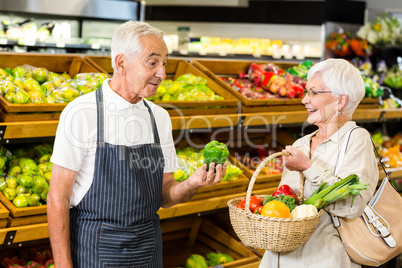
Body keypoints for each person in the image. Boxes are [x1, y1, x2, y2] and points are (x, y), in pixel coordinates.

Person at [47, 20, 227, 268]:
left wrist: (192, 183)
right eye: (153, 63)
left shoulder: (159, 118)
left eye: (164, 63)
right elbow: (57, 197)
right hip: (94, 250)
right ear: (121, 63)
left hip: (147, 250)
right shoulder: (82, 112)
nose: (162, 73)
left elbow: (165, 195)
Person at [259, 58, 379, 268]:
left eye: (314, 93)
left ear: (340, 101)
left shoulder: (357, 139)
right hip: (277, 259)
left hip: (321, 260)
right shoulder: (301, 144)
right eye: (306, 92)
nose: (304, 100)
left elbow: (354, 205)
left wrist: (308, 167)